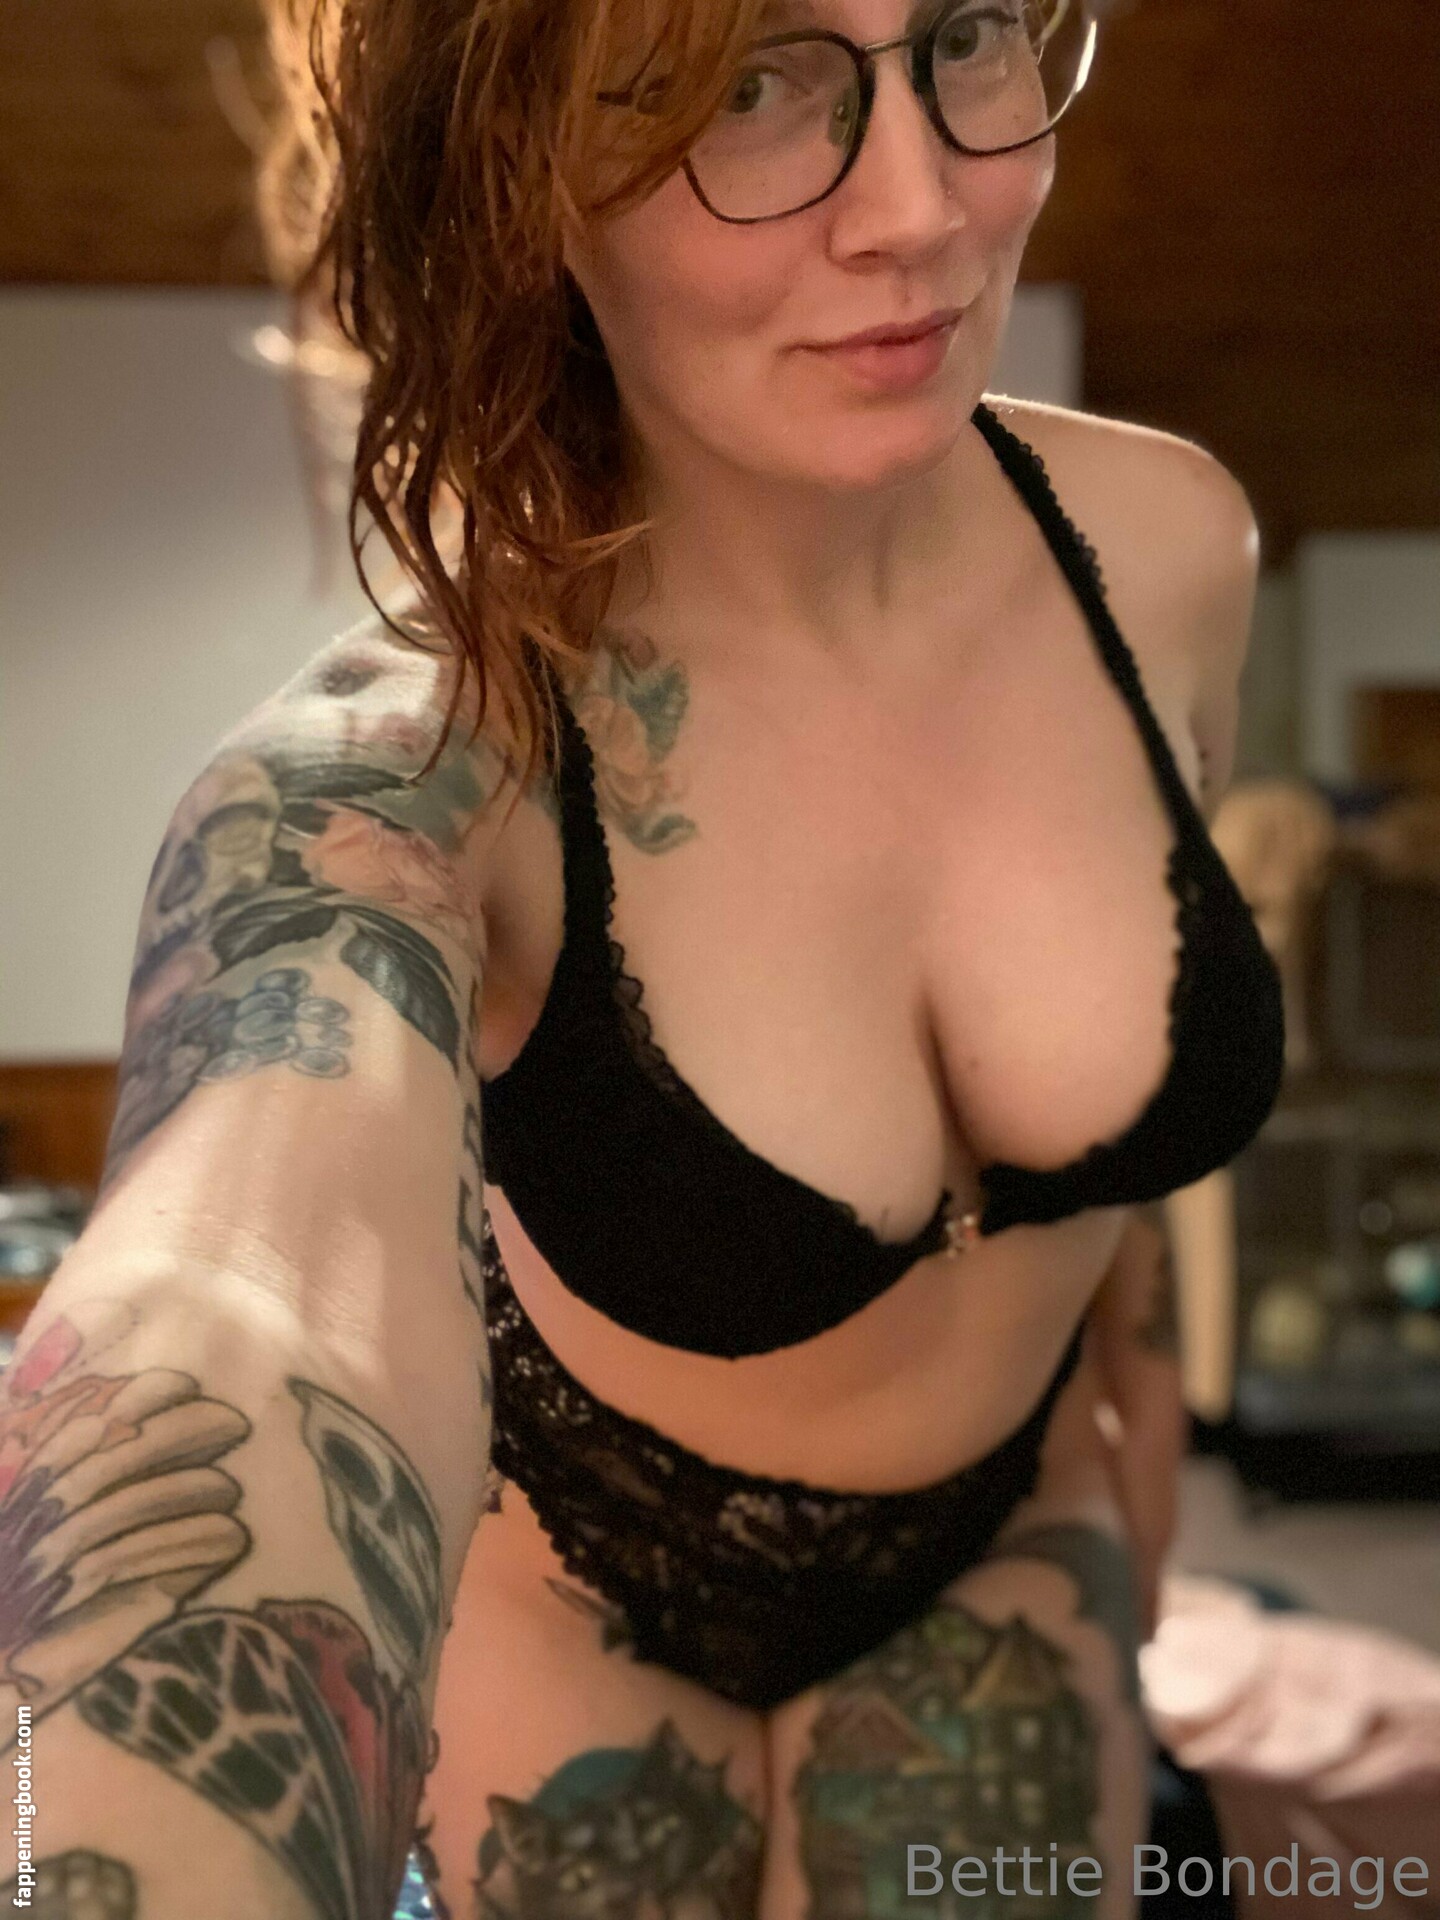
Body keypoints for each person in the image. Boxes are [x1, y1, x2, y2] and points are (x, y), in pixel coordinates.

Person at [2, 1, 1285, 1915]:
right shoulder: (406, 776)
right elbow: (241, 1293)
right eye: (750, 86)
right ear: (521, 172)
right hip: (571, 1584)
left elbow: (1121, 1046)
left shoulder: (1174, 550)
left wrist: (1139, 1382)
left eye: (970, 35)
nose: (924, 208)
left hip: (1016, 1535)